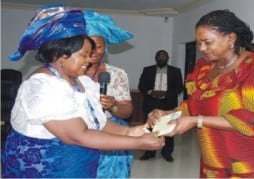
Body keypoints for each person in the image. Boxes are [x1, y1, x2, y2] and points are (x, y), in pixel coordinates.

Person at [1, 4, 164, 178]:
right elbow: (78, 136)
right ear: (61, 55)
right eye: (84, 54)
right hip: (44, 170)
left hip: (77, 169)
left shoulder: (83, 82)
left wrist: (133, 131)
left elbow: (97, 122)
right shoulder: (42, 87)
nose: (89, 59)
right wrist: (137, 143)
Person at [147, 10, 254, 178]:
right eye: (199, 43)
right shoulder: (204, 68)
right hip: (216, 160)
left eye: (208, 42)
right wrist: (167, 114)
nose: (202, 48)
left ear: (230, 38)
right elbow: (192, 106)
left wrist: (197, 121)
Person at [84, 10, 134, 178]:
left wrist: (113, 105)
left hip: (111, 135)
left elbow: (127, 111)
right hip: (78, 135)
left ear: (105, 47)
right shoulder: (70, 73)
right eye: (88, 46)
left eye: (98, 46)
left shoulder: (117, 74)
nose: (93, 52)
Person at [138, 50, 184, 162]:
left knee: (168, 128)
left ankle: (167, 152)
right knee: (149, 128)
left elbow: (179, 87)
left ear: (168, 58)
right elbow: (141, 86)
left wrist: (166, 94)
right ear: (155, 57)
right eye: (159, 56)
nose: (161, 58)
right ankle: (149, 152)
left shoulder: (175, 71)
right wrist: (150, 92)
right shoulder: (147, 70)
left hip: (168, 103)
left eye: (164, 56)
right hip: (151, 103)